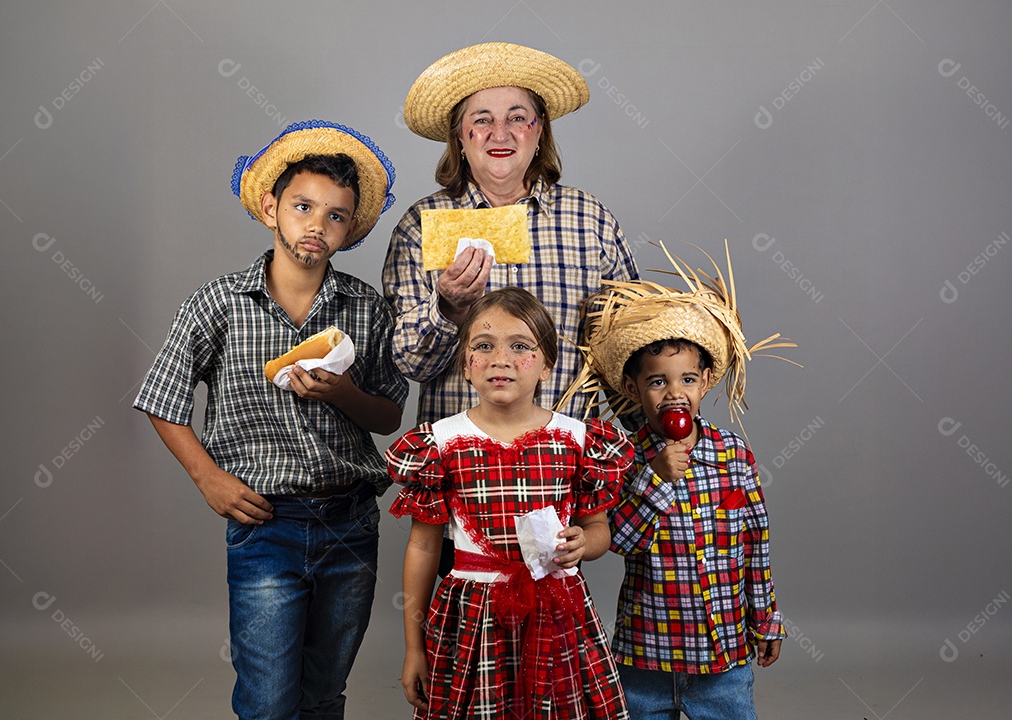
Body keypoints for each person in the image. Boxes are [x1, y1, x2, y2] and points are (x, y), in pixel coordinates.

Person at [133, 119, 408, 720]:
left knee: (323, 692)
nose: (318, 224)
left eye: (336, 215)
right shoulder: (219, 303)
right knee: (267, 699)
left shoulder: (365, 308)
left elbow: (389, 413)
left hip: (350, 521)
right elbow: (163, 398)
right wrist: (209, 478)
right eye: (303, 206)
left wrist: (342, 393)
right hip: (266, 524)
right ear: (270, 207)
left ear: (349, 229)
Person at [560, 243, 793, 720]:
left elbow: (755, 541)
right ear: (632, 389)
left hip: (722, 653)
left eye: (687, 379)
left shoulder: (733, 454)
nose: (674, 393)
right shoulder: (623, 458)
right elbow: (621, 539)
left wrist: (765, 620)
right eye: (657, 381)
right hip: (647, 651)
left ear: (706, 381)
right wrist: (657, 478)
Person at [386, 287, 633, 720]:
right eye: (483, 346)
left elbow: (598, 531)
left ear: (547, 364)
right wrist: (413, 647)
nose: (501, 359)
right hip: (473, 615)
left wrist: (583, 543)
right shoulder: (440, 444)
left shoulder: (578, 441)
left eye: (520, 347)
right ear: (466, 365)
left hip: (556, 612)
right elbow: (424, 548)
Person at [382, 42, 639, 425]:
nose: (500, 133)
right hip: (460, 468)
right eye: (482, 120)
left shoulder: (589, 220)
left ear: (539, 135)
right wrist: (448, 308)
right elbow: (409, 364)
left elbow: (626, 353)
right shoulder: (421, 224)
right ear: (460, 138)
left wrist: (655, 446)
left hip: (567, 466)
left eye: (518, 118)